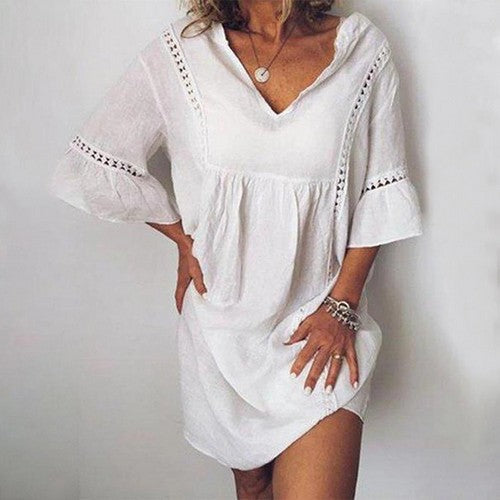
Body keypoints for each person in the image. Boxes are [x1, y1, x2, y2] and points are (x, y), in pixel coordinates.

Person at [51, 1, 424, 497]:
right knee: (254, 490)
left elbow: (380, 189)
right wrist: (181, 236)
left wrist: (343, 303)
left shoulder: (362, 50)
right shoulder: (185, 52)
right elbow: (96, 163)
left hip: (317, 330)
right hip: (222, 335)